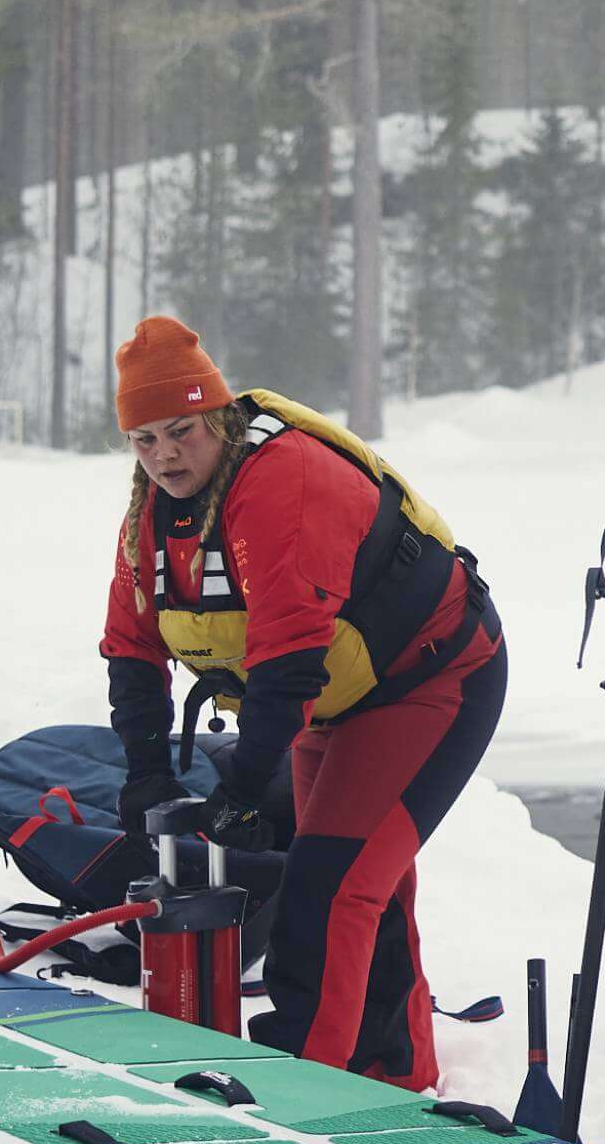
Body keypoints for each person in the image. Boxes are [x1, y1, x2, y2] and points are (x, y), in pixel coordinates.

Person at [101, 315, 503, 1090]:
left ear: (216, 414)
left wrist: (243, 790)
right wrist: (144, 774)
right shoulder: (147, 520)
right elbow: (132, 649)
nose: (165, 456)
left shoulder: (281, 484)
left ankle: (294, 1099)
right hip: (336, 701)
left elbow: (287, 665)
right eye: (144, 440)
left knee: (326, 890)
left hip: (430, 680)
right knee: (357, 886)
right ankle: (394, 1073)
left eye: (181, 430)